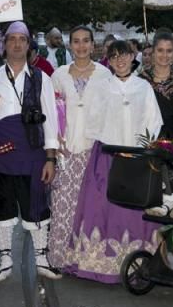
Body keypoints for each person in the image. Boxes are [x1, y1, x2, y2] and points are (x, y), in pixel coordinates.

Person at [0, 21, 61, 282]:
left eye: (22, 39)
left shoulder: (40, 77)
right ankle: (6, 259)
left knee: (35, 201)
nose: (17, 44)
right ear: (4, 44)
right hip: (0, 151)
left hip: (32, 148)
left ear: (29, 44)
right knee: (2, 202)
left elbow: (51, 119)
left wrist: (50, 158)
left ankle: (42, 258)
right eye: (12, 39)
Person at [66, 39, 163, 283]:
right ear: (108, 61)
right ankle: (101, 264)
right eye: (114, 57)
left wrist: (142, 147)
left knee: (135, 211)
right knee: (103, 208)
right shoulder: (101, 86)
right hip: (108, 157)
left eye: (124, 55)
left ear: (133, 56)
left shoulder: (143, 87)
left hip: (137, 157)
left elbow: (154, 121)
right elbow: (92, 120)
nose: (120, 61)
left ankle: (138, 261)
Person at [48, 25, 111, 270]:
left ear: (93, 44)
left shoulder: (105, 75)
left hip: (95, 151)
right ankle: (62, 258)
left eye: (86, 41)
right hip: (67, 150)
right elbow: (52, 114)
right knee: (63, 205)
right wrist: (55, 144)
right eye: (76, 41)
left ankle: (90, 260)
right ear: (69, 45)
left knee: (93, 206)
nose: (81, 46)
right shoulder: (59, 75)